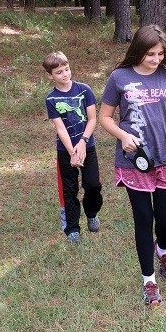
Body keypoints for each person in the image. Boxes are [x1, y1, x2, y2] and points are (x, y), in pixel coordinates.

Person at [99, 25, 166, 305]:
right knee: (143, 221)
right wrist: (123, 135)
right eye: (150, 53)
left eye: (160, 54)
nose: (156, 59)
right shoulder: (119, 77)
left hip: (165, 158)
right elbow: (105, 117)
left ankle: (162, 249)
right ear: (138, 51)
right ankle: (149, 282)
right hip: (133, 162)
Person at [44, 51, 103, 244]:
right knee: (69, 190)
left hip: (88, 146)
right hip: (66, 151)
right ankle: (72, 228)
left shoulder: (84, 90)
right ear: (50, 75)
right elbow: (60, 128)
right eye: (59, 72)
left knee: (92, 185)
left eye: (67, 69)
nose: (65, 74)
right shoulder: (51, 99)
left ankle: (92, 213)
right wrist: (72, 152)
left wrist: (83, 143)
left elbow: (93, 119)